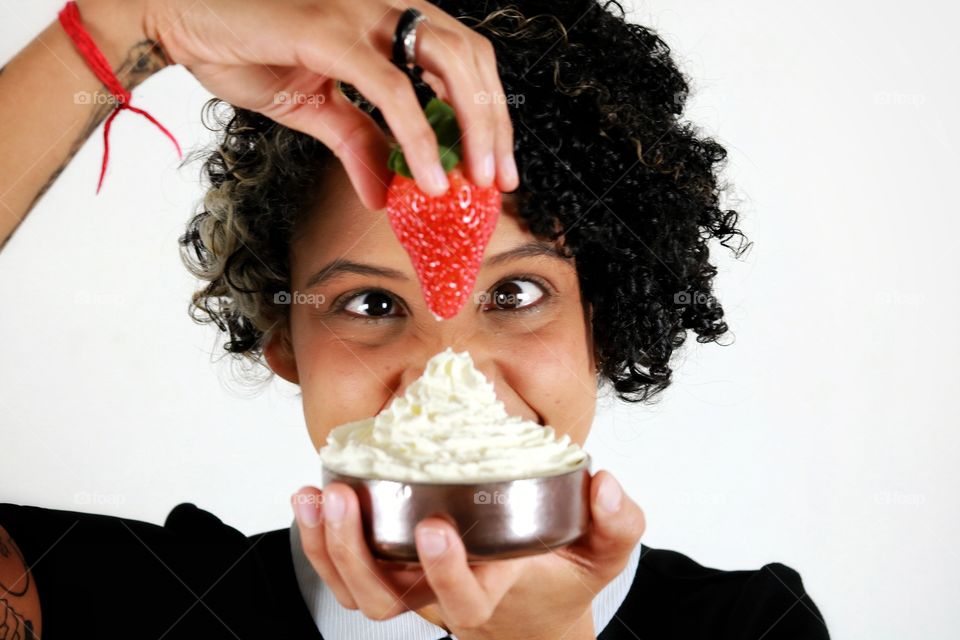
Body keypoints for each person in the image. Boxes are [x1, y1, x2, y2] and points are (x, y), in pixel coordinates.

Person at [0, 0, 831, 638]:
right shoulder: (136, 599)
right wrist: (129, 23)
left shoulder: (750, 628)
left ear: (603, 325)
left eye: (515, 295)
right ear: (285, 340)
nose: (447, 371)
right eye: (371, 305)